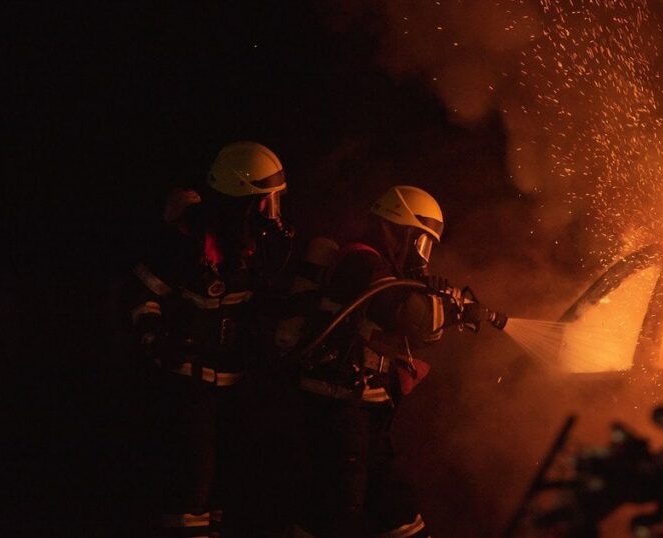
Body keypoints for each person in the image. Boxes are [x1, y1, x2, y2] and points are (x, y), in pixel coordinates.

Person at [293, 185, 485, 538]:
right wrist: (455, 308)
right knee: (338, 504)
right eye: (420, 241)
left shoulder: (382, 269)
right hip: (339, 404)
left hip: (364, 404)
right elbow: (408, 315)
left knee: (390, 500)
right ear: (397, 230)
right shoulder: (362, 261)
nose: (421, 255)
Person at [125, 141, 293, 538]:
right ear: (244, 202)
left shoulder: (263, 246)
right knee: (191, 489)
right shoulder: (185, 241)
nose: (272, 212)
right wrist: (154, 338)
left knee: (227, 489)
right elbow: (141, 296)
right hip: (191, 385)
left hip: (237, 388)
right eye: (266, 202)